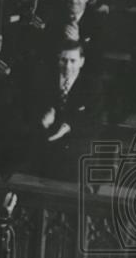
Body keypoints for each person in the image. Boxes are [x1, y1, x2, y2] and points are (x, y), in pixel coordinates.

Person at [27, 41, 103, 180]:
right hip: (45, 150)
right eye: (64, 60)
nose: (68, 66)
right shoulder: (43, 81)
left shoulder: (92, 86)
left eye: (73, 61)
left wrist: (68, 127)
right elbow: (30, 113)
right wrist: (43, 121)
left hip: (76, 152)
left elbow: (95, 122)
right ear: (58, 60)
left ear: (82, 61)